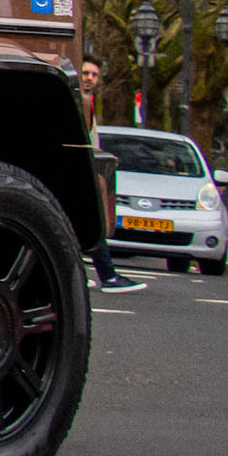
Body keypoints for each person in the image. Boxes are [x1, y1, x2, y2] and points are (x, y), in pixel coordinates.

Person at [77, 57, 143, 294]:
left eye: (94, 75)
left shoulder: (88, 102)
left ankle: (88, 275)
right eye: (85, 73)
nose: (89, 78)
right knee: (93, 222)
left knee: (83, 224)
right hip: (83, 172)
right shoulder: (80, 101)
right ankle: (108, 276)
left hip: (88, 169)